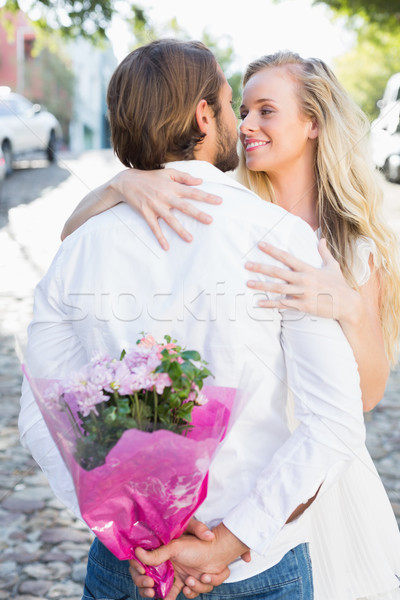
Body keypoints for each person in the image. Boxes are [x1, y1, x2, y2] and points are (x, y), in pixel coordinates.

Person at [19, 39, 368, 600]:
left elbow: (40, 419)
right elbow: (334, 423)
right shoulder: (278, 236)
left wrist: (125, 534)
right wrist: (229, 541)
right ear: (205, 114)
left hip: (126, 567)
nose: (238, 120)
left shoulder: (78, 245)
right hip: (254, 572)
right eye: (232, 104)